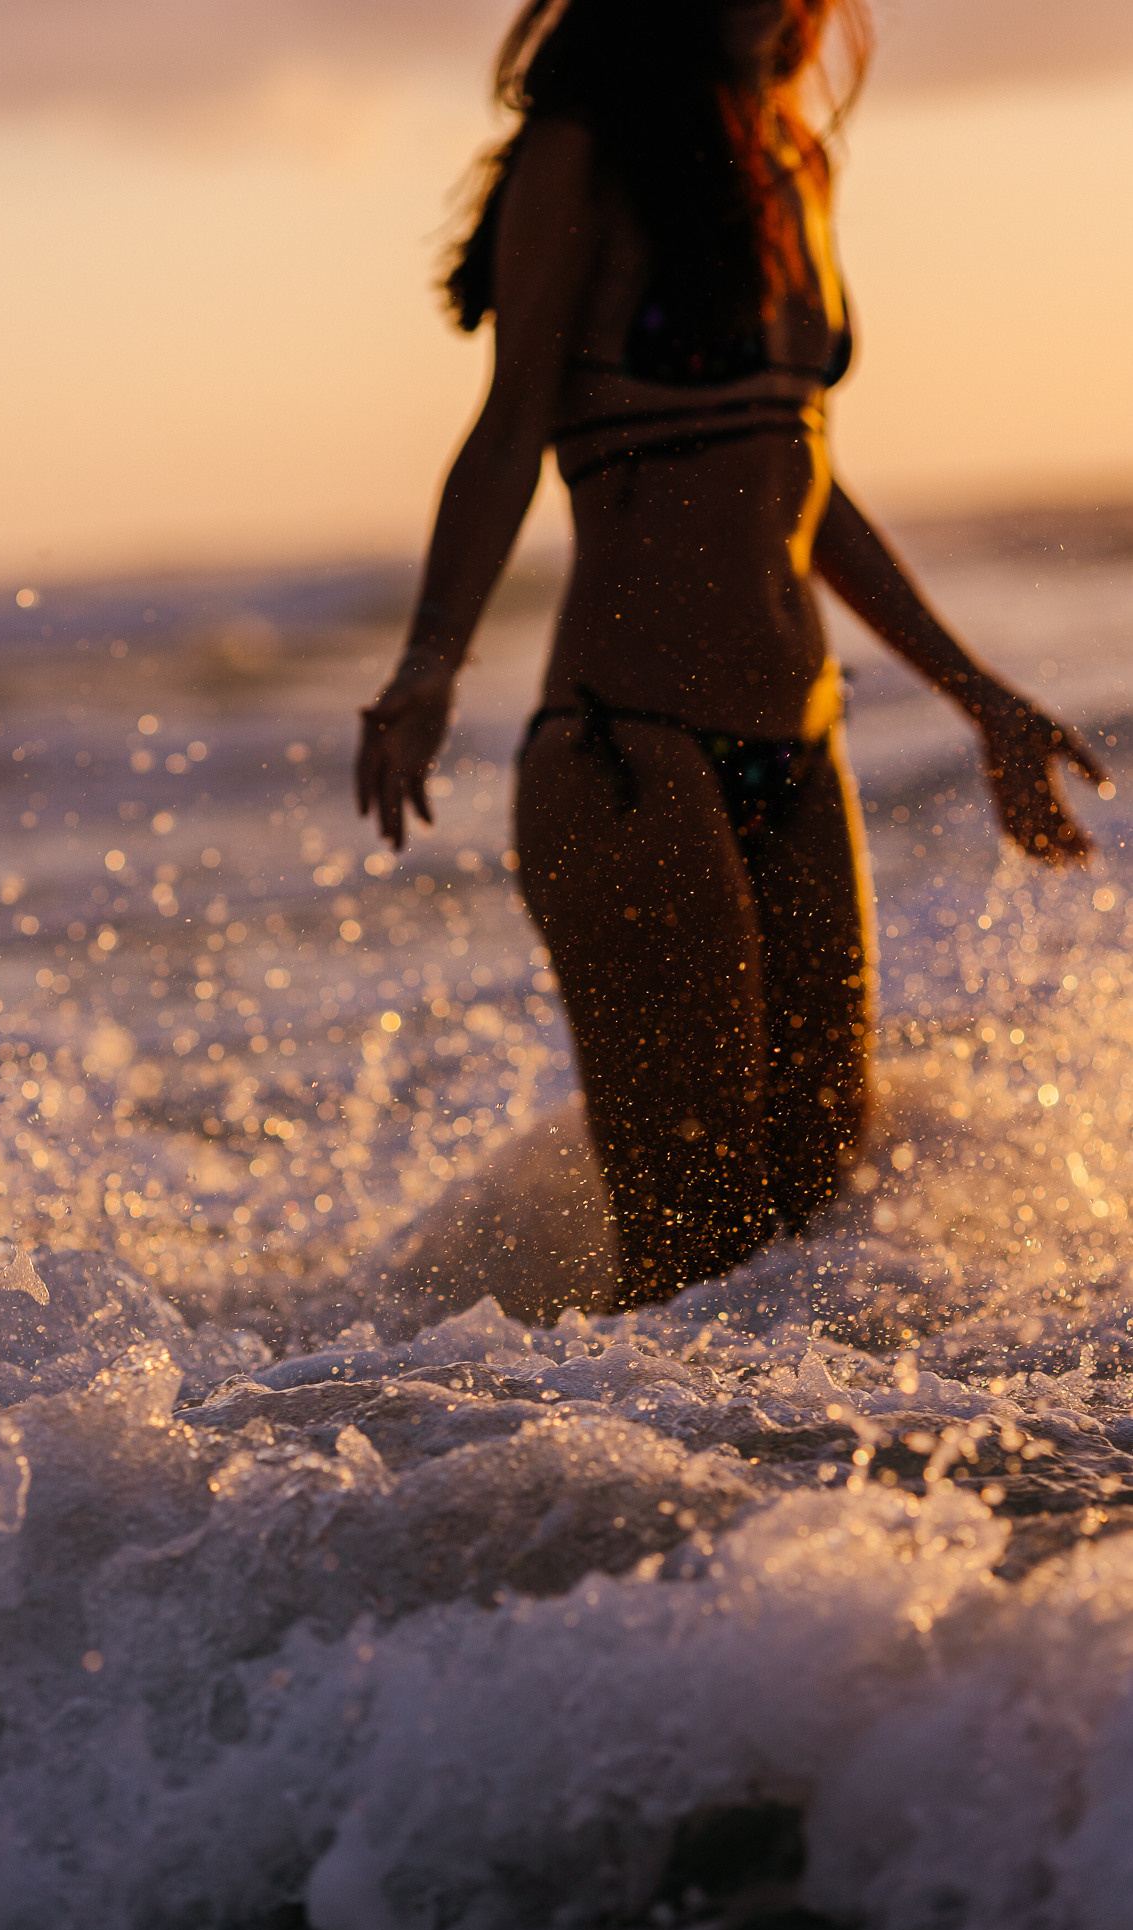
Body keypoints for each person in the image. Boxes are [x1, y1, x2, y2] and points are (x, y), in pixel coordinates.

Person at [356, 0, 1103, 1310]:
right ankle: (553, 1500)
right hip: (626, 749)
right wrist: (429, 663)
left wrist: (978, 696)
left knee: (817, 1241)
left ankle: (775, 1508)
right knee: (693, 1256)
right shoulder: (576, 154)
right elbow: (508, 424)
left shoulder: (791, 162)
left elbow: (798, 473)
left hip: (800, 761)